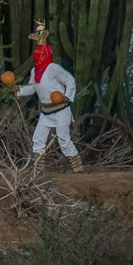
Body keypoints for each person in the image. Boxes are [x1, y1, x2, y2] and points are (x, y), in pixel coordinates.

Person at [13, 22, 84, 174]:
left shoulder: (53, 68)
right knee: (38, 139)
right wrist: (19, 90)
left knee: (64, 141)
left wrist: (67, 97)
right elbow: (32, 88)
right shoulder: (34, 71)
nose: (38, 56)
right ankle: (38, 168)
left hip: (60, 111)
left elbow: (70, 81)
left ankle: (77, 165)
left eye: (41, 54)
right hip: (46, 112)